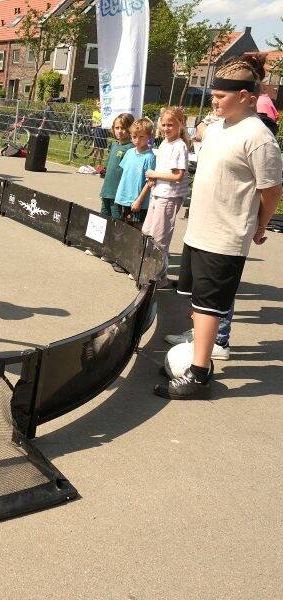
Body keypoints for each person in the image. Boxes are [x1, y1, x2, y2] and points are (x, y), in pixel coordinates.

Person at [155, 55, 282, 400]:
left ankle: (198, 375)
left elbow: (271, 189)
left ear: (245, 96)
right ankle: (197, 357)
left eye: (221, 96)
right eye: (213, 95)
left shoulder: (258, 137)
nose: (214, 101)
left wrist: (260, 224)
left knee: (211, 306)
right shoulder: (217, 128)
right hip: (199, 230)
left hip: (226, 234)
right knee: (198, 302)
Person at [142, 107, 190, 290]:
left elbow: (178, 175)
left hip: (169, 196)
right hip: (158, 193)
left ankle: (159, 277)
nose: (166, 128)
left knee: (160, 238)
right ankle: (148, 270)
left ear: (180, 125)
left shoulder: (179, 146)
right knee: (148, 232)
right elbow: (165, 170)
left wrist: (155, 174)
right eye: (163, 124)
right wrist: (155, 178)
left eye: (170, 125)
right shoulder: (164, 144)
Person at [113, 118, 156, 231]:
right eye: (134, 137)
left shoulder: (149, 157)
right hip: (123, 198)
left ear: (149, 137)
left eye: (141, 137)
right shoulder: (129, 152)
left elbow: (149, 182)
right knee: (122, 228)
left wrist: (139, 200)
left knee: (136, 229)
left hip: (137, 202)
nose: (137, 140)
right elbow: (125, 175)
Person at [99, 112, 135, 224]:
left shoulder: (131, 148)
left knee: (116, 221)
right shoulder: (114, 145)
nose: (119, 131)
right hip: (107, 190)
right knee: (103, 218)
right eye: (117, 127)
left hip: (118, 194)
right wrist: (104, 170)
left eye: (123, 128)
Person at [91, 99, 107, 169]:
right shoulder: (95, 113)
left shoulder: (106, 113)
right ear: (96, 105)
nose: (100, 105)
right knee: (96, 149)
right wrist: (99, 124)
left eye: (101, 103)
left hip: (104, 132)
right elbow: (93, 124)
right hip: (97, 132)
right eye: (98, 104)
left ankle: (99, 165)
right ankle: (92, 163)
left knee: (101, 149)